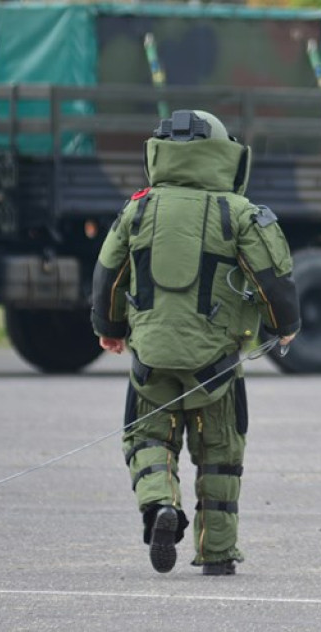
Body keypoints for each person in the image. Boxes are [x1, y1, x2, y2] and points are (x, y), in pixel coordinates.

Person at [91, 110, 300, 575]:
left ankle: (161, 505)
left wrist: (110, 328)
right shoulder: (239, 212)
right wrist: (284, 325)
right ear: (223, 154)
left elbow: (108, 273)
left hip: (151, 361)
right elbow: (273, 277)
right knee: (220, 456)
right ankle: (217, 554)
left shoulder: (137, 209)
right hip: (217, 365)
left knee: (147, 440)